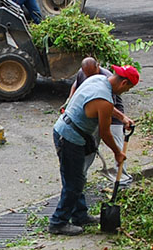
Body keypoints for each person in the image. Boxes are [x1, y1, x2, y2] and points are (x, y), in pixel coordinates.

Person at [49, 65, 139, 235]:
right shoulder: (105, 99)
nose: (126, 91)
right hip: (69, 138)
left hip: (65, 131)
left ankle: (80, 216)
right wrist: (118, 153)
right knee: (73, 182)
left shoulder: (98, 80)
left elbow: (101, 105)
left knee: (78, 178)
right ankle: (58, 222)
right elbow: (105, 133)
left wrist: (122, 117)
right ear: (124, 83)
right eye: (128, 88)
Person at [66, 57, 133, 186]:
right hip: (96, 113)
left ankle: (122, 176)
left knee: (118, 146)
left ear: (98, 66)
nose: (90, 77)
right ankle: (81, 176)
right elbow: (76, 85)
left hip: (114, 114)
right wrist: (69, 101)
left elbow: (107, 108)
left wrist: (122, 118)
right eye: (87, 75)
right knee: (91, 147)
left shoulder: (108, 79)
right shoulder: (86, 74)